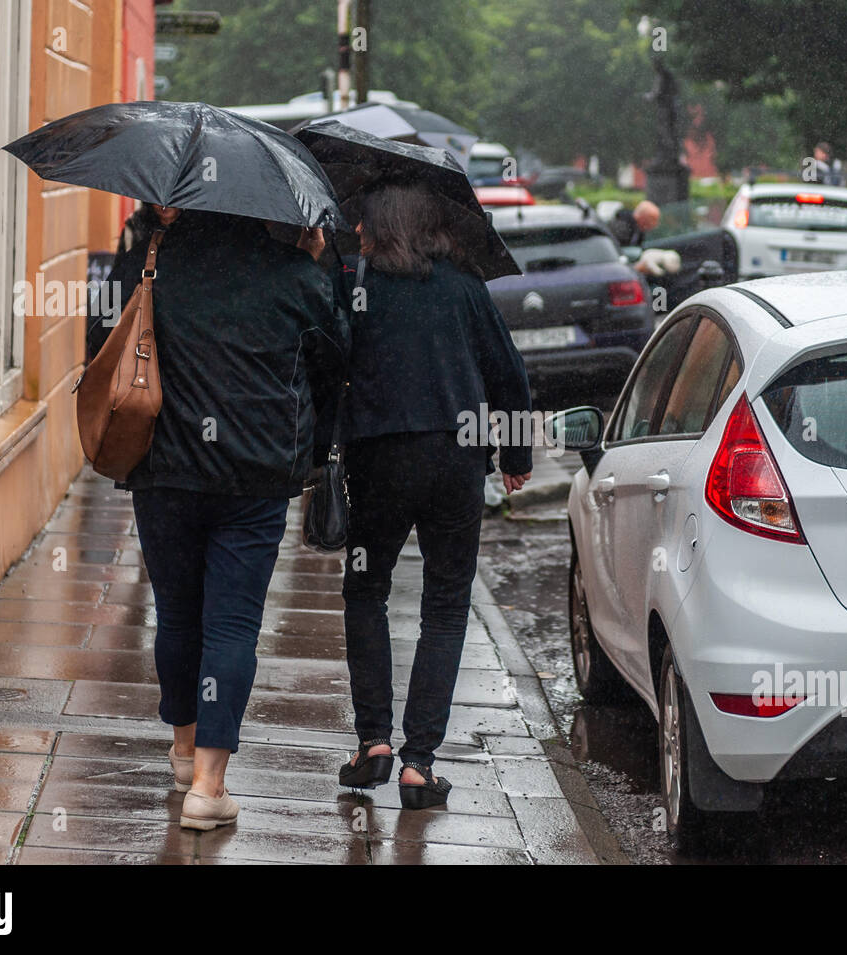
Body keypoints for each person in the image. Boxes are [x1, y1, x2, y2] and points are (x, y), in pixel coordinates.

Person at [93, 204, 345, 831]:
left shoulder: (150, 261)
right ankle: (208, 786)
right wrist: (313, 267)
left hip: (164, 467)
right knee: (232, 626)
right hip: (255, 475)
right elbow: (333, 362)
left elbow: (105, 338)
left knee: (177, 613)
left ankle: (182, 747)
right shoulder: (293, 272)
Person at [337, 181, 533, 809]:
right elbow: (511, 377)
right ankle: (419, 761)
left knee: (366, 591)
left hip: (379, 459)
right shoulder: (464, 288)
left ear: (379, 224)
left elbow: (327, 366)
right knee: (446, 608)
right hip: (455, 459)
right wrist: (516, 457)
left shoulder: (359, 288)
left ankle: (373, 740)